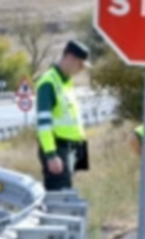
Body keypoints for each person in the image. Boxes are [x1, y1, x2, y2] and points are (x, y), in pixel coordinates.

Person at [35, 40, 91, 191]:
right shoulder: (48, 83)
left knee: (67, 195)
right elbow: (44, 124)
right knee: (59, 198)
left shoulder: (67, 82)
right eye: (80, 64)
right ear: (69, 58)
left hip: (71, 148)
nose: (81, 69)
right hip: (58, 148)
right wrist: (51, 155)